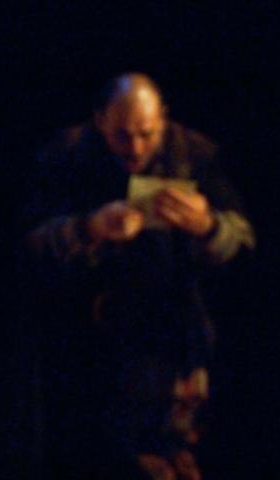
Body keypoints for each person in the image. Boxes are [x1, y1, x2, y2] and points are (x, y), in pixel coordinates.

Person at [25, 73, 254, 479]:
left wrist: (206, 225)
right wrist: (90, 227)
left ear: (162, 118)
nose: (135, 148)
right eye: (122, 135)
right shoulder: (68, 155)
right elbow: (28, 246)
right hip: (91, 344)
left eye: (146, 134)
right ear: (100, 120)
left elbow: (245, 243)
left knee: (176, 458)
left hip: (176, 337)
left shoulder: (194, 154)